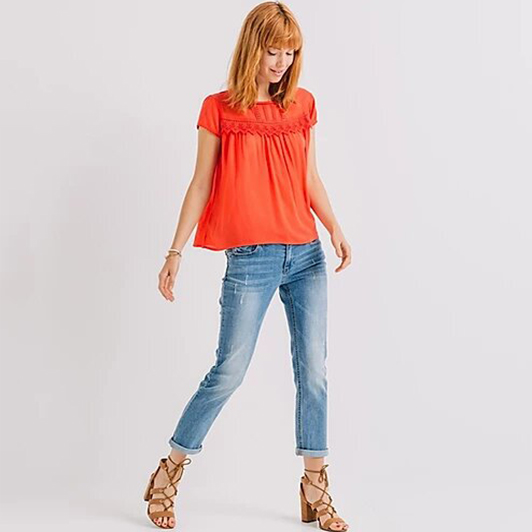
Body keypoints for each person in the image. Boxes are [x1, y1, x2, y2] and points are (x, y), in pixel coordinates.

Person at [143, 2, 352, 530]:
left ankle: (315, 484)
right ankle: (170, 469)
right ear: (251, 48)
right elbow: (200, 183)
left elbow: (309, 178)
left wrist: (334, 227)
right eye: (272, 51)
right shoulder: (218, 109)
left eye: (290, 52)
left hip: (305, 255)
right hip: (251, 260)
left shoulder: (302, 104)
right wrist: (174, 251)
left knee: (314, 372)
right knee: (229, 371)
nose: (281, 62)